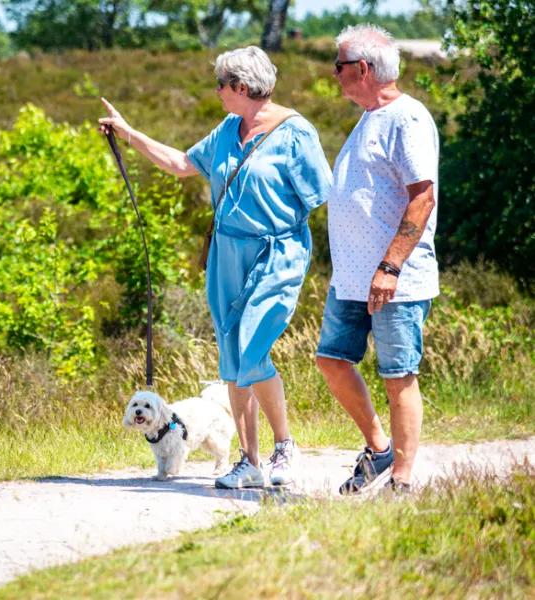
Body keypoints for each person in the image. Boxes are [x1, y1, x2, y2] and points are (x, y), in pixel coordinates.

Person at [99, 46, 332, 489]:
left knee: (252, 346)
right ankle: (249, 462)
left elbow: (323, 197)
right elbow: (183, 164)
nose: (217, 91)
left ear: (243, 87)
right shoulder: (228, 129)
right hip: (226, 255)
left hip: (276, 253)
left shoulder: (296, 133)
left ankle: (285, 446)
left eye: (221, 84)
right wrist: (128, 133)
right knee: (232, 362)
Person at [315, 25, 439, 495]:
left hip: (394, 280)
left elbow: (422, 197)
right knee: (331, 360)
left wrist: (390, 267)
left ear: (363, 70)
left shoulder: (406, 118)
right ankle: (380, 448)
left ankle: (402, 481)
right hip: (351, 279)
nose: (334, 74)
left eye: (340, 66)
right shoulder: (370, 116)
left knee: (397, 376)